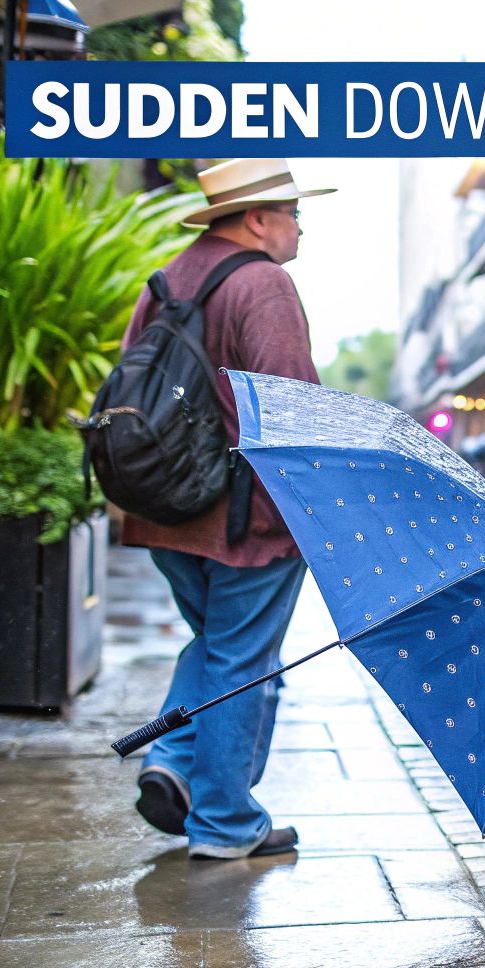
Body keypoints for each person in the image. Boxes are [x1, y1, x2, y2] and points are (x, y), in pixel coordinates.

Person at [125, 158, 334, 860]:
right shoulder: (263, 282)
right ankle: (223, 823)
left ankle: (173, 761)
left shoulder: (167, 279)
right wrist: (321, 510)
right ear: (257, 219)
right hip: (245, 519)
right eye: (293, 214)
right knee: (244, 660)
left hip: (163, 507)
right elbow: (290, 406)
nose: (299, 226)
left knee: (217, 643)